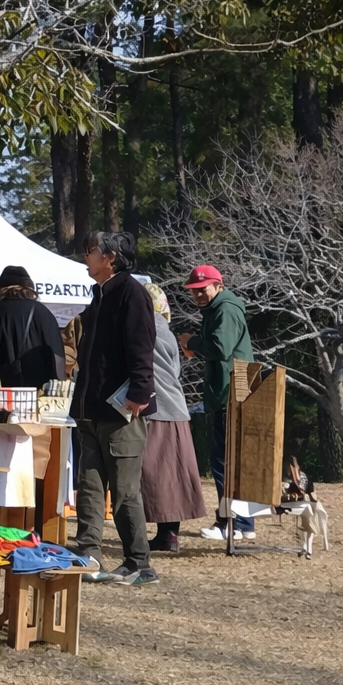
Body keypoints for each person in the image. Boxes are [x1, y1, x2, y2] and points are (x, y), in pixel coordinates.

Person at [70, 231, 158, 586]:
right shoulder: (100, 295)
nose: (85, 257)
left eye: (91, 251)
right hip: (90, 407)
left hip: (123, 409)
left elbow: (141, 346)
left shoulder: (131, 293)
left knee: (124, 490)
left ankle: (139, 563)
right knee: (89, 486)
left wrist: (139, 393)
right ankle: (88, 553)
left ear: (110, 257)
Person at [178, 264, 257, 540]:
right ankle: (243, 525)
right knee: (233, 462)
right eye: (194, 290)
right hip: (231, 392)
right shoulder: (219, 308)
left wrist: (192, 341)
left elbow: (221, 348)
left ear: (218, 285)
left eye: (203, 288)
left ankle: (230, 525)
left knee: (224, 462)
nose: (198, 294)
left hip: (230, 396)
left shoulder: (225, 309)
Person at [141, 284, 207, 553]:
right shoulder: (165, 331)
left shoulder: (141, 328)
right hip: (176, 407)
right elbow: (176, 370)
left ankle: (162, 536)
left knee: (153, 473)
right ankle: (168, 535)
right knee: (175, 475)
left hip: (155, 408)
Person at [0, 265, 66, 388]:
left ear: (2, 288)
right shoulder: (44, 313)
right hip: (39, 390)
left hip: (5, 389)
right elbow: (57, 354)